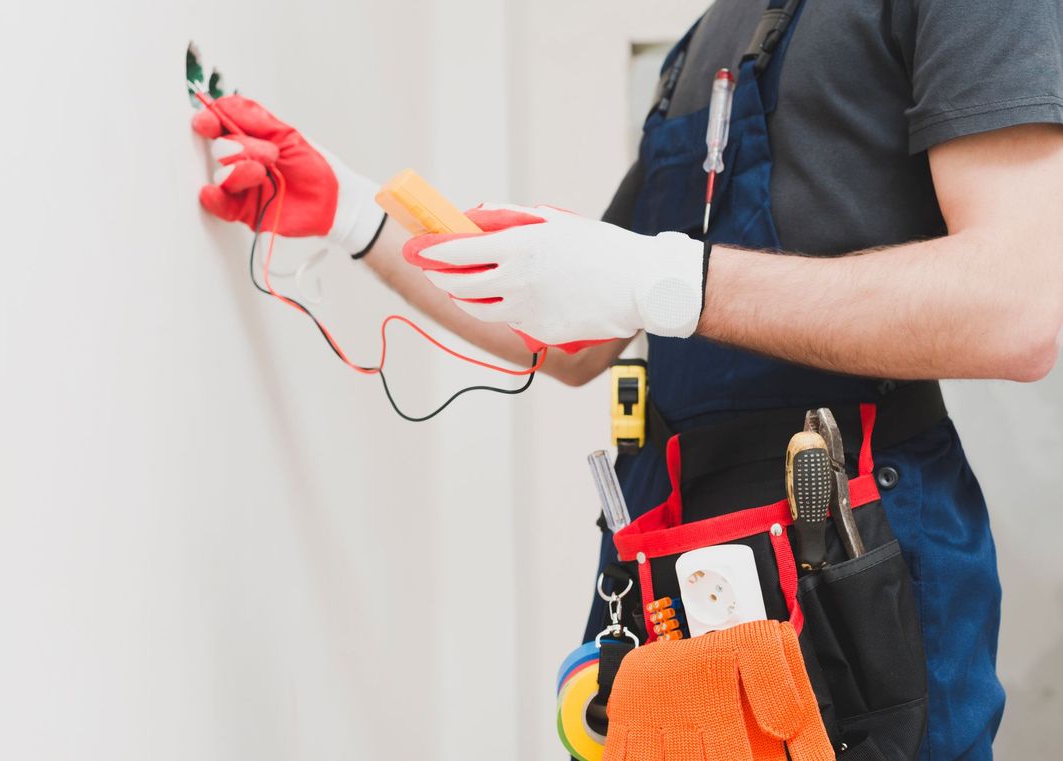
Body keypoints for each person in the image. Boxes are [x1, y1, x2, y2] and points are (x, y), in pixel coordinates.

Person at [190, 0, 1063, 757]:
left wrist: (669, 281)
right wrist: (352, 212)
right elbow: (569, 333)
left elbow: (1018, 306)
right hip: (668, 591)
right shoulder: (699, 45)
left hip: (848, 573)